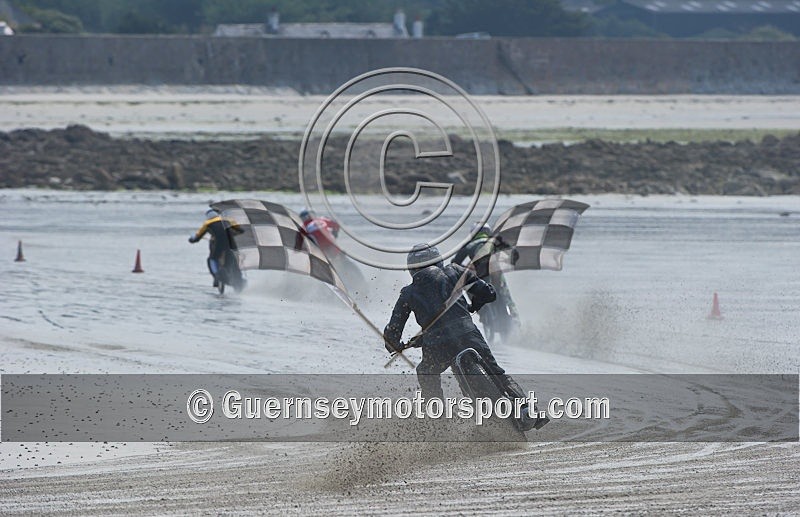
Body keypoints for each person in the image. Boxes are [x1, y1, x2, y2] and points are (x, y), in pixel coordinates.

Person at [383, 244, 540, 430]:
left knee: (426, 372)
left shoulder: (407, 293)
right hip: (468, 335)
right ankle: (527, 410)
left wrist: (395, 345)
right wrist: (474, 305)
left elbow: (392, 332)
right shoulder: (455, 271)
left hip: (437, 347)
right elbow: (488, 293)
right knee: (497, 373)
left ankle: (438, 423)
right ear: (438, 260)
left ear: (411, 269)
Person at [452, 224, 520, 332]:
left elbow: (455, 264)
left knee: (475, 294)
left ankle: (483, 315)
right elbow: (514, 255)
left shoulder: (469, 245)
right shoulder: (495, 241)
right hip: (496, 274)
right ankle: (516, 325)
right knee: (506, 298)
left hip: (479, 276)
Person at [189, 208, 233, 287]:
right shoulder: (228, 221)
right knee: (233, 259)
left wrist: (192, 239)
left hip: (218, 244)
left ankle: (216, 275)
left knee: (212, 259)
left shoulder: (208, 224)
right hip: (232, 244)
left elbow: (197, 237)